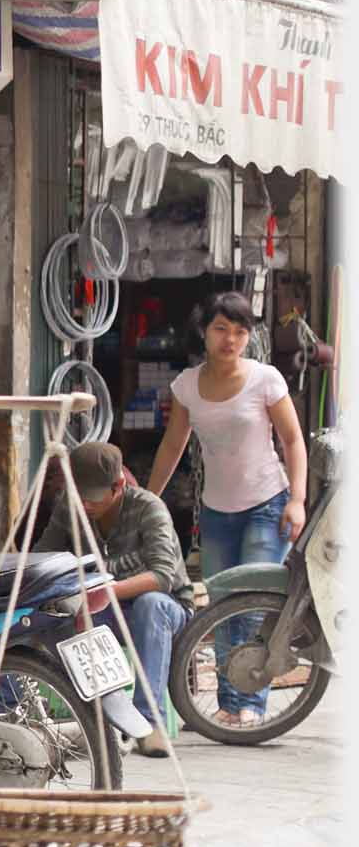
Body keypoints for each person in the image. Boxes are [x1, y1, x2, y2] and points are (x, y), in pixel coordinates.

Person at [147, 292, 308, 727]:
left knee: (250, 606)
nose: (230, 339)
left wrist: (296, 500)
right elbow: (173, 446)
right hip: (216, 512)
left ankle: (251, 705)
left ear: (248, 336)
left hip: (267, 505)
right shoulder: (186, 386)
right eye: (222, 329)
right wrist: (149, 498)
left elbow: (293, 441)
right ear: (205, 331)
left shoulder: (266, 380)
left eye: (240, 331)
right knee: (220, 607)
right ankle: (226, 703)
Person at [37, 442, 192, 757]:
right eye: (78, 494)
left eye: (92, 496)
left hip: (164, 609)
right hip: (105, 609)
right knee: (58, 619)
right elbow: (41, 557)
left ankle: (148, 724)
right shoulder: (70, 507)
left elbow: (162, 577)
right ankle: (102, 719)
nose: (85, 503)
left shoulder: (149, 508)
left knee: (151, 605)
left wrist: (102, 592)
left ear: (119, 485)